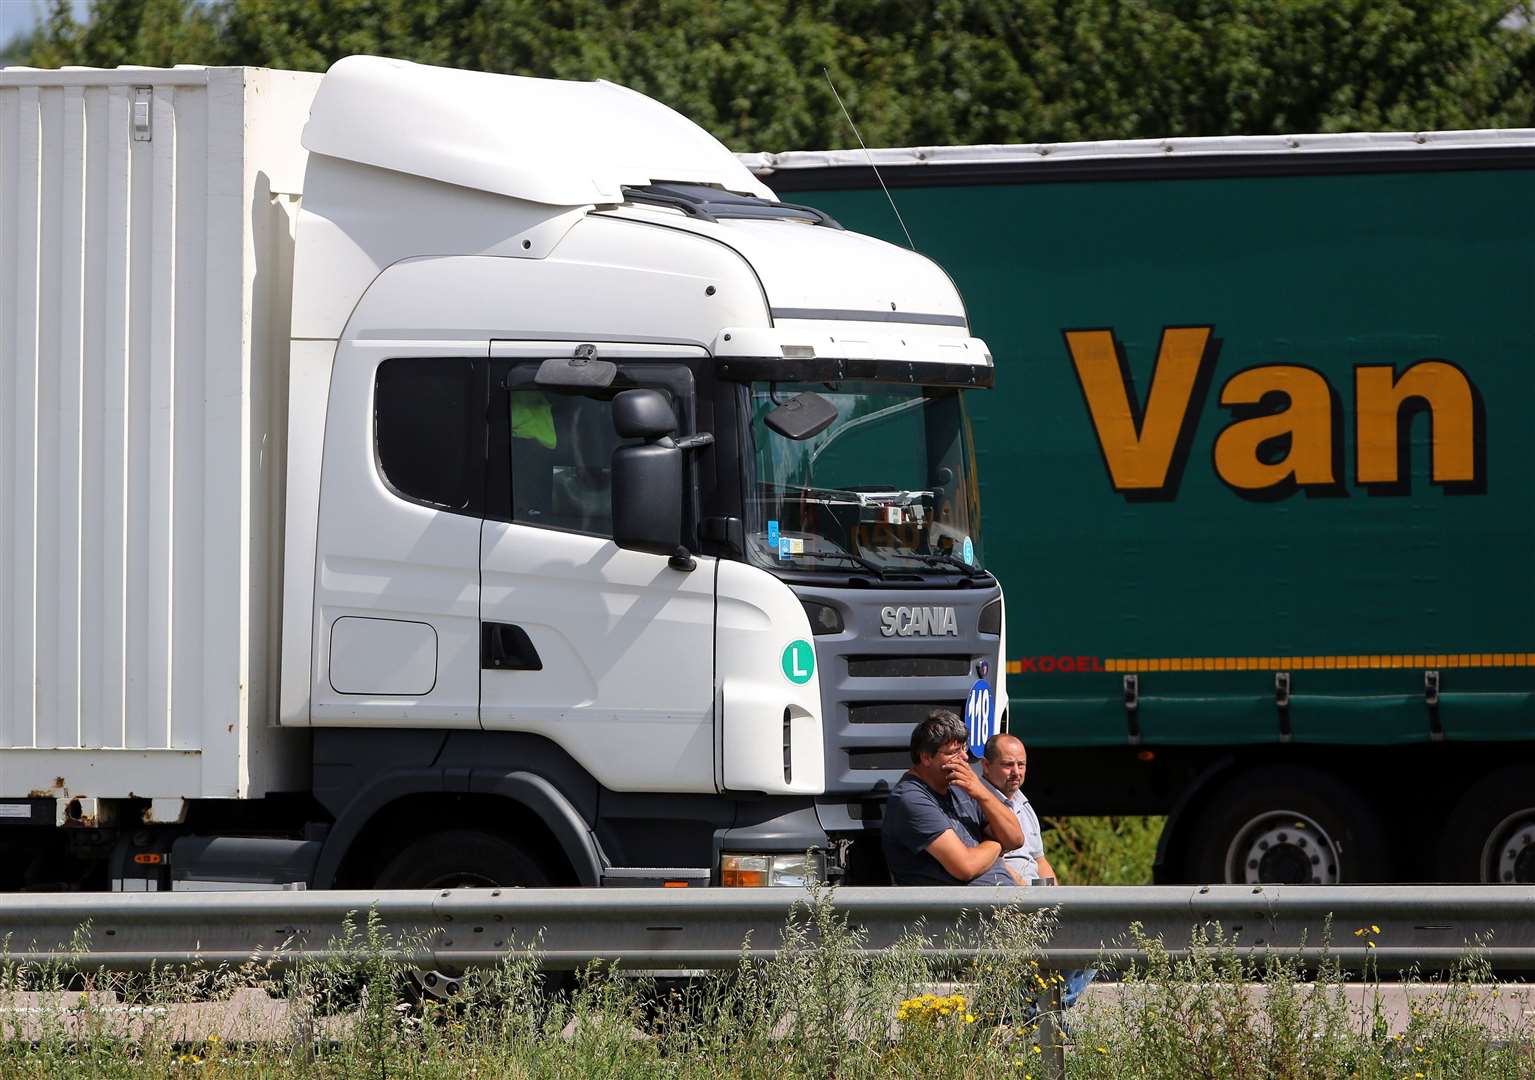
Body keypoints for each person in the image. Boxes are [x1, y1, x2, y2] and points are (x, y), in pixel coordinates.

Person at [981, 732, 1096, 1009]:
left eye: (1021, 765)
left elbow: (1040, 860)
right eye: (1008, 765)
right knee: (1074, 941)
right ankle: (1038, 1015)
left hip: (1037, 896)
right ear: (986, 766)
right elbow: (993, 859)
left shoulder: (1022, 801)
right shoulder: (981, 802)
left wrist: (1058, 898)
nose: (1016, 772)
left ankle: (1041, 1013)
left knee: (1094, 937)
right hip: (1010, 899)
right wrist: (1024, 892)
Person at [882, 710, 1024, 886]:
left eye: (964, 748)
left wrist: (982, 793)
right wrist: (997, 844)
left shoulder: (963, 786)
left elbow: (1016, 839)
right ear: (926, 757)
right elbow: (965, 867)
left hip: (1003, 900)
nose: (964, 758)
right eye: (954, 752)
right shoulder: (911, 798)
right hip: (961, 909)